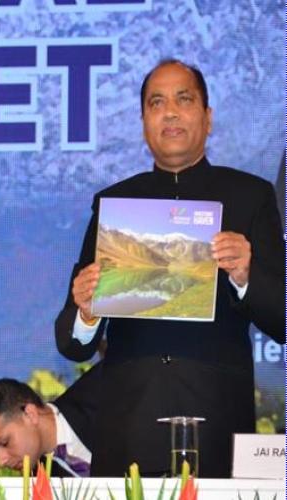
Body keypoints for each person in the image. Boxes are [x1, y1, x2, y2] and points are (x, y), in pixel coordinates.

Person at [54, 59, 285, 477]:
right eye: (156, 102)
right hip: (128, 429)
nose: (171, 112)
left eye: (184, 99)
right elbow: (73, 345)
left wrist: (247, 277)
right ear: (144, 120)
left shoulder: (250, 196)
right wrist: (86, 312)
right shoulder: (114, 204)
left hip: (215, 426)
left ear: (207, 117)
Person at [0, 363, 100, 478]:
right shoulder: (35, 480)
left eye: (5, 443)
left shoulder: (100, 392)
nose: (1, 461)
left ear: (30, 414)